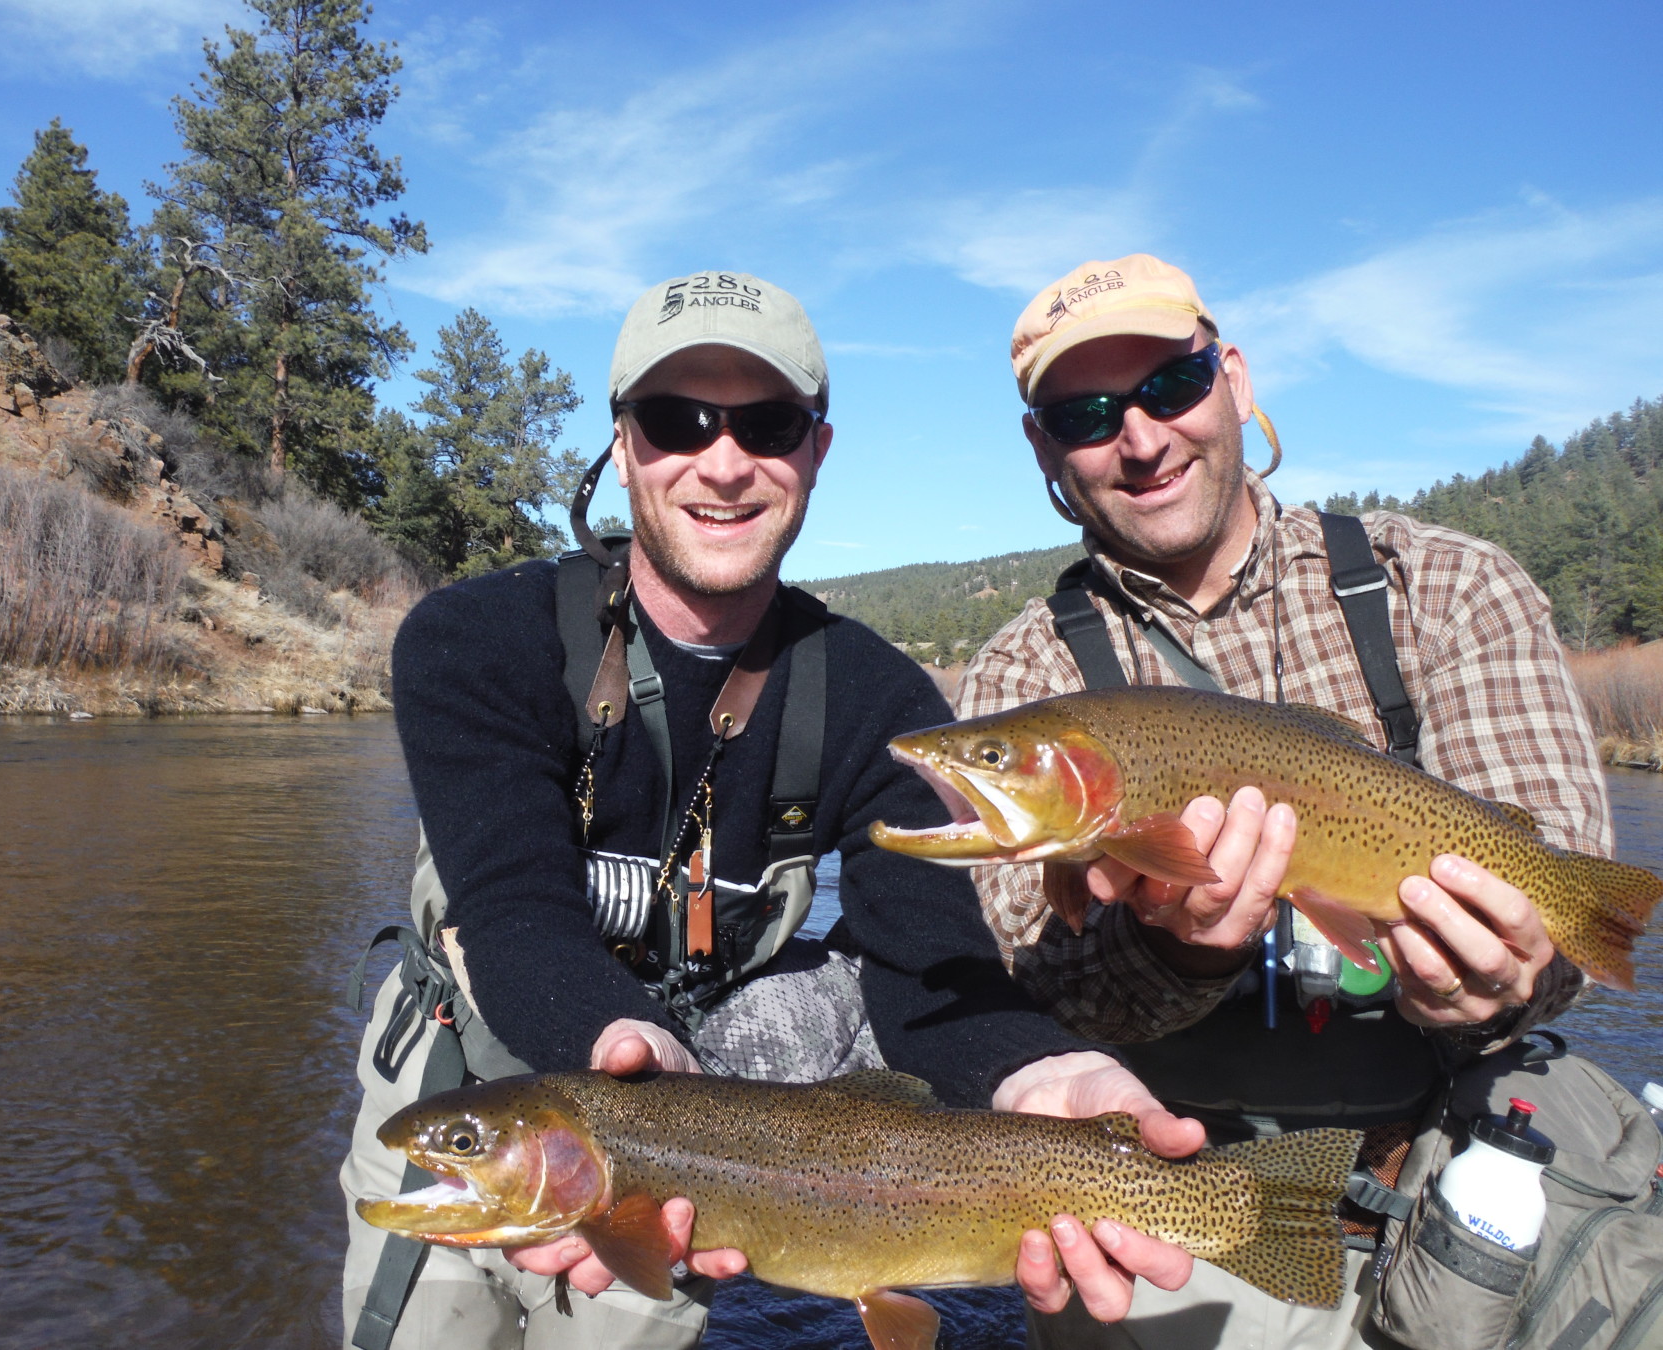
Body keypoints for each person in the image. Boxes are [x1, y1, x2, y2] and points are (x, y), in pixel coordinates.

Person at [339, 269, 1197, 1350]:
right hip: (471, 1088)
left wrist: (1032, 1069)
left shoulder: (875, 699)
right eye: (676, 419)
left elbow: (925, 967)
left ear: (816, 452)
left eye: (769, 423)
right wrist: (627, 1054)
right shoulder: (477, 642)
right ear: (623, 443)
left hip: (690, 1151)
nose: (726, 460)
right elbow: (515, 913)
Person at [951, 253, 1613, 1349]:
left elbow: (1569, 931)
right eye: (1088, 412)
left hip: (1463, 1192)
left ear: (1236, 381)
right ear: (1045, 448)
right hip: (1175, 1217)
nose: (1144, 436)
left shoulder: (1445, 587)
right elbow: (1034, 1003)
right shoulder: (1027, 685)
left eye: (1171, 385)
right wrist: (1184, 954)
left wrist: (1508, 979)